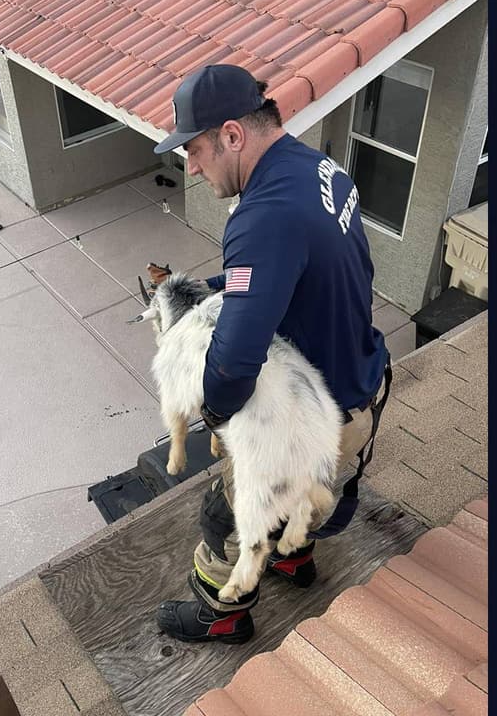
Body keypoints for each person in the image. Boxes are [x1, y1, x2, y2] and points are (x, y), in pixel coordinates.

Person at [151, 65, 392, 644]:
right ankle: (293, 560)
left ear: (232, 135)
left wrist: (211, 409)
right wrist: (212, 291)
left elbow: (233, 367)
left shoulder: (261, 217)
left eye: (197, 148)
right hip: (356, 381)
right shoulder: (316, 168)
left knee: (228, 513)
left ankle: (223, 615)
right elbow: (291, 271)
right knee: (294, 492)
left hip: (309, 418)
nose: (191, 164)